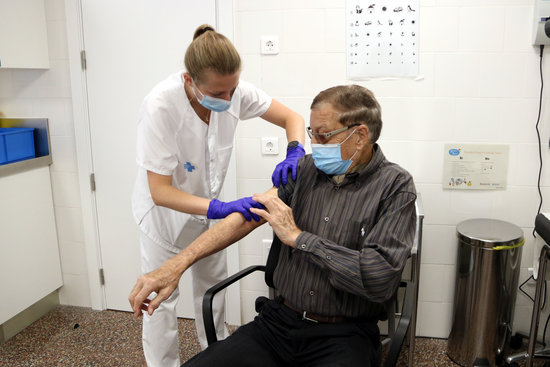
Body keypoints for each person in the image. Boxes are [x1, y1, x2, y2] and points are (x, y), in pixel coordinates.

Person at [129, 84, 416, 366]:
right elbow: (245, 218)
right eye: (311, 135)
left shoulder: (394, 187)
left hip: (345, 334)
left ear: (360, 135)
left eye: (323, 136)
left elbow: (378, 278)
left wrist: (301, 239)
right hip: (278, 324)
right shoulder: (304, 170)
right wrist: (177, 264)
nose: (314, 146)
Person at [131, 24, 305, 367]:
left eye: (233, 90)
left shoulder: (234, 90)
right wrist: (219, 207)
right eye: (218, 92)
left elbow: (292, 117)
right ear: (189, 81)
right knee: (161, 299)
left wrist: (295, 149)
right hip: (163, 217)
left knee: (214, 287)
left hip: (210, 213)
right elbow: (160, 190)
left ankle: (218, 355)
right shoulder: (160, 106)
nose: (228, 100)